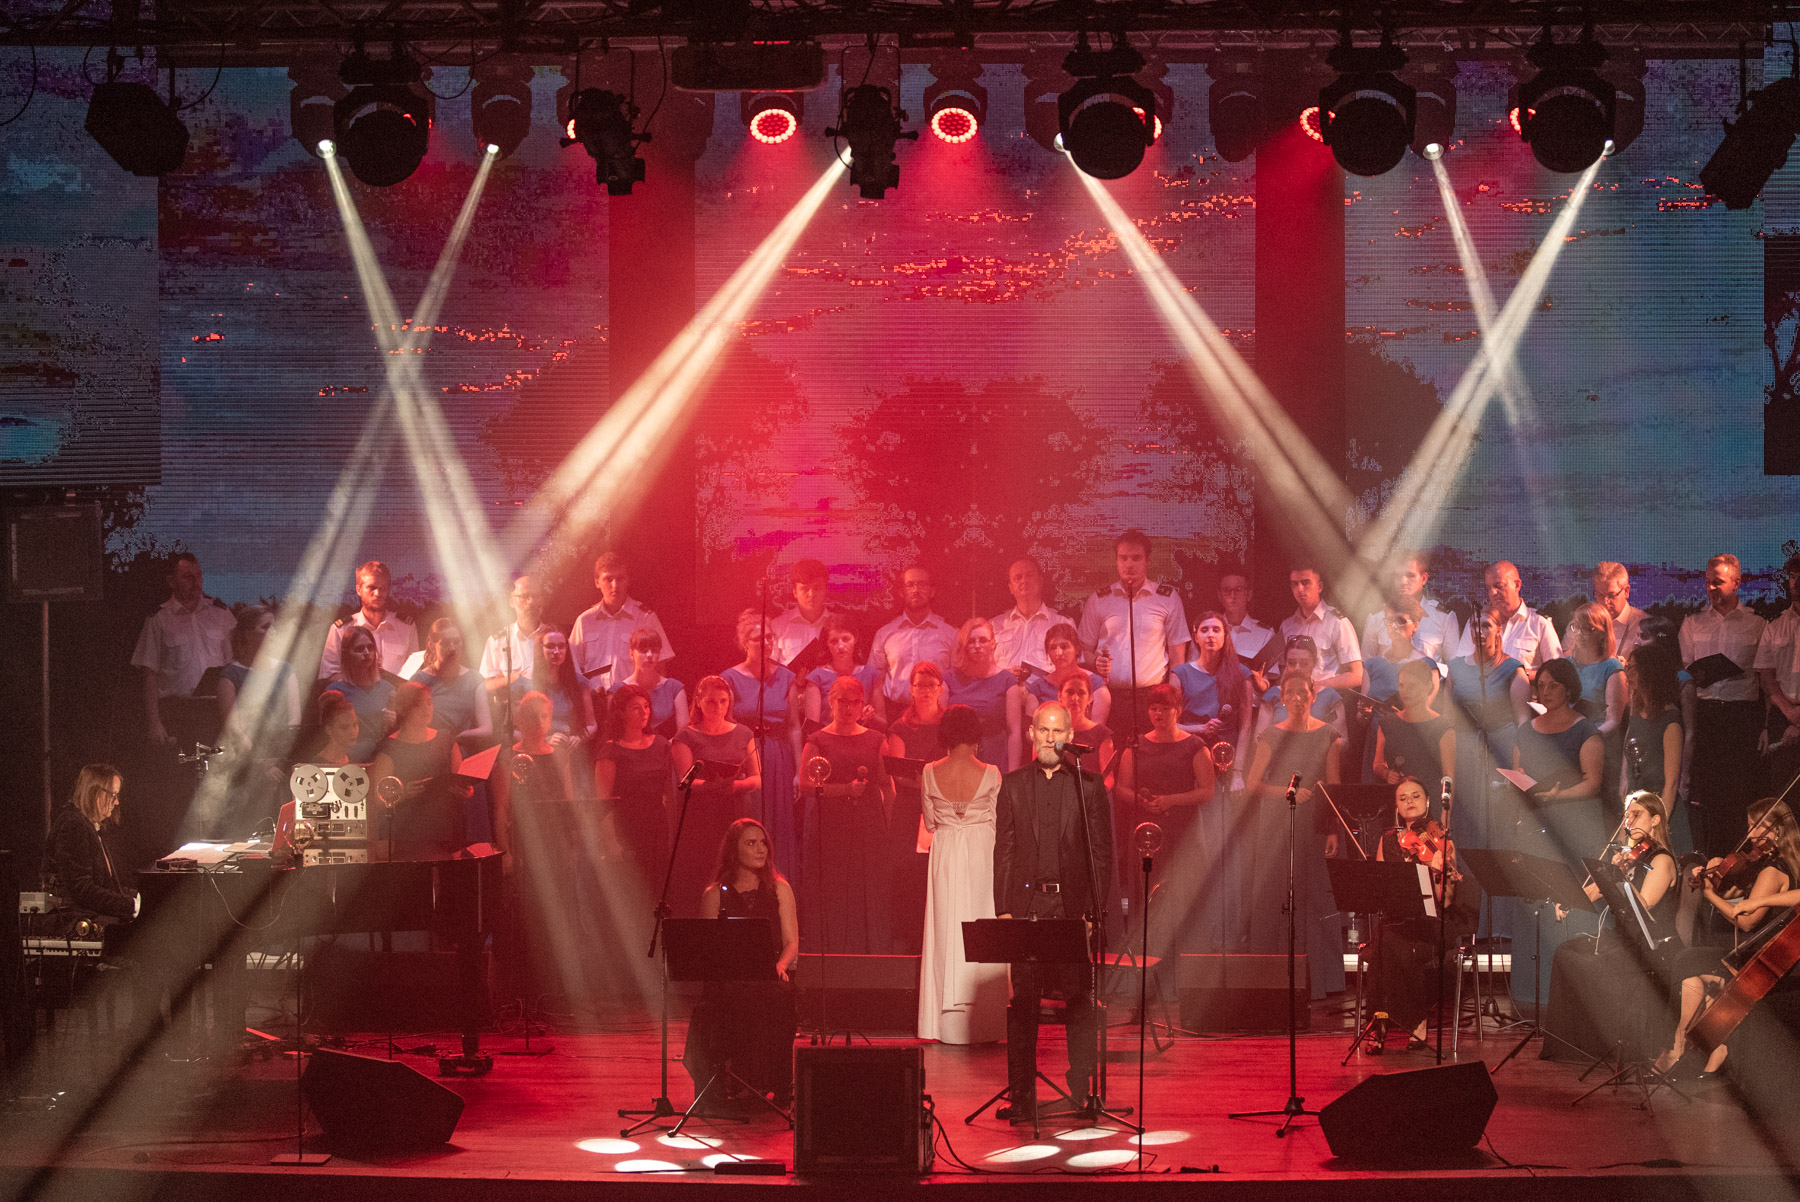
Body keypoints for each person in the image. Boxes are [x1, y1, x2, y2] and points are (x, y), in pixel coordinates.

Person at [994, 702, 1113, 1119]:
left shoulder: (1089, 787)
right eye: (1043, 730)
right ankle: (1021, 1095)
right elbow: (1004, 852)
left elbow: (1101, 856)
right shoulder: (1012, 785)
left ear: (1070, 736)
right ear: (1031, 733)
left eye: (1057, 731)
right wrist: (1004, 910)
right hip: (1026, 909)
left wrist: (1092, 913)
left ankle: (1081, 1090)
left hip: (1070, 910)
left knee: (1079, 1000)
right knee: (1023, 1003)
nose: (1049, 737)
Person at [1657, 797, 1800, 1079]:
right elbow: (1732, 893)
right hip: (1764, 954)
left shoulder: (1772, 871)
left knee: (1687, 961)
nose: (1750, 835)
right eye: (1749, 827)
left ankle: (1682, 1049)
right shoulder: (1781, 865)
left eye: (1756, 827)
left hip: (1758, 959)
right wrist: (1714, 876)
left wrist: (1710, 894)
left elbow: (1745, 921)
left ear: (1776, 831)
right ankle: (1698, 1049)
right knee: (1691, 971)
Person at [1542, 791, 1679, 1063]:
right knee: (1565, 952)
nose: (1629, 822)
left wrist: (1618, 876)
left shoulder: (1661, 860)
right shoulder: (1634, 857)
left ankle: (1605, 1045)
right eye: (1627, 816)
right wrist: (1568, 900)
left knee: (1587, 965)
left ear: (1655, 820)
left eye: (1636, 815)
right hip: (1623, 939)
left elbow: (1644, 906)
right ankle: (1573, 1047)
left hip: (1650, 944)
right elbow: (1595, 891)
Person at [682, 819, 799, 1111]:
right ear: (734, 850)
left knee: (777, 998)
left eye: (763, 843)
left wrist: (780, 965)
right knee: (729, 1000)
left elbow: (791, 942)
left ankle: (770, 1083)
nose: (761, 849)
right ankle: (736, 1082)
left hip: (769, 977)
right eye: (751, 843)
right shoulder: (715, 894)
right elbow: (708, 949)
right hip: (730, 980)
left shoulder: (780, 889)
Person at [1244, 672, 1345, 998]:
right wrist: (1289, 794)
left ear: (1314, 695)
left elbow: (1334, 787)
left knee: (1316, 897)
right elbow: (1253, 784)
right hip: (1277, 823)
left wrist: (1333, 829)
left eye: (1304, 692)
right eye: (1291, 693)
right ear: (1283, 698)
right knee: (1274, 896)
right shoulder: (1271, 735)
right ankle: (1271, 979)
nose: (1298, 698)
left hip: (1314, 822)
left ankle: (1321, 982)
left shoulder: (1328, 735)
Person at [918, 705, 1008, 1043]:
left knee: (945, 928)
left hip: (945, 853)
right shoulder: (991, 773)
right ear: (976, 734)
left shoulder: (929, 771)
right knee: (982, 923)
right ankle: (984, 1022)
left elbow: (930, 823)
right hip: (981, 853)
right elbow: (999, 823)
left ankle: (945, 1023)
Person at [1367, 777, 1469, 1051]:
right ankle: (1413, 1021)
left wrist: (1437, 875)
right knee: (1387, 940)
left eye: (1415, 796)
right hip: (1395, 922)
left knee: (1385, 946)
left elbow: (1445, 903)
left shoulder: (1442, 841)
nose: (1409, 802)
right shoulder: (1387, 840)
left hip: (1430, 926)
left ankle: (1381, 1024)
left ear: (1427, 801)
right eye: (1403, 798)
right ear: (1396, 807)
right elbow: (1380, 890)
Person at [1114, 682, 1218, 950]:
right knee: (1147, 890)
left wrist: (1170, 800)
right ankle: (1147, 950)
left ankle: (1185, 951)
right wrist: (1142, 801)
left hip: (1182, 830)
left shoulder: (1195, 746)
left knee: (1183, 890)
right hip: (1146, 830)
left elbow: (1207, 791)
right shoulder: (1136, 745)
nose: (1157, 714)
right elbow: (1121, 788)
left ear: (1178, 710)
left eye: (1164, 708)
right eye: (1153, 708)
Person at [1679, 553, 1769, 856]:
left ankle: (1740, 862)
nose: (1711, 588)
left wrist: (1765, 725)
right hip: (1705, 715)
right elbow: (1685, 672)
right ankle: (1709, 859)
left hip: (1742, 716)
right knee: (1706, 793)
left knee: (1740, 793)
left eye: (1717, 582)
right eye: (1707, 582)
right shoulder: (1692, 623)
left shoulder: (1757, 624)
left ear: (1737, 582)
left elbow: (1766, 679)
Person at [800, 676, 893, 953]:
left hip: (867, 826)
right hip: (830, 827)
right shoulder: (817, 740)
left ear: (862, 705)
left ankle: (869, 954)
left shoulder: (876, 739)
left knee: (868, 887)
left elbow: (887, 786)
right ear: (831, 702)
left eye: (855, 702)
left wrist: (888, 826)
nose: (849, 708)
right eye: (843, 701)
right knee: (834, 888)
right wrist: (844, 790)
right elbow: (805, 786)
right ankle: (831, 952)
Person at [1078, 530, 1189, 746]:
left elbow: (1178, 660)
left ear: (1148, 560)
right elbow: (1084, 651)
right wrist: (1096, 663)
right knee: (1112, 755)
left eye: (1136, 558)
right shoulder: (1100, 599)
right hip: (1109, 696)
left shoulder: (1167, 598)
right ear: (1116, 561)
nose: (1129, 564)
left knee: (1152, 756)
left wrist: (1172, 703)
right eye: (1123, 558)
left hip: (1152, 697)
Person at [1444, 607, 1532, 854]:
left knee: (1499, 817)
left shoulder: (1513, 669)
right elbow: (1447, 719)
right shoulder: (1456, 667)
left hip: (1502, 747)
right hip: (1465, 751)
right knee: (1467, 816)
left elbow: (1523, 721)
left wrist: (1518, 766)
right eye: (1475, 625)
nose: (1479, 631)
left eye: (1486, 626)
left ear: (1498, 630)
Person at [670, 677, 760, 914]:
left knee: (737, 870)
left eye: (723, 701)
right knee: (705, 873)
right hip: (701, 818)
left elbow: (757, 779)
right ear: (698, 701)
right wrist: (714, 786)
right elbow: (685, 781)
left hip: (735, 812)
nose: (718, 707)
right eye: (711, 701)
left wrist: (734, 786)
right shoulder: (685, 736)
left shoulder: (743, 733)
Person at [724, 607, 802, 871]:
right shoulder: (730, 678)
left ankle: (779, 884)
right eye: (759, 638)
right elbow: (728, 725)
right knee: (751, 821)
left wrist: (798, 770)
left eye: (770, 637)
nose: (767, 642)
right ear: (745, 642)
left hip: (779, 757)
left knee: (779, 823)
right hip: (748, 756)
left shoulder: (787, 677)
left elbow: (794, 727)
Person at [132, 551, 235, 749]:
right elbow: (150, 674)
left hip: (218, 708)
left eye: (199, 575)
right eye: (188, 577)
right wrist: (154, 722)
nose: (196, 582)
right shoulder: (159, 619)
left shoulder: (220, 613)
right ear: (171, 581)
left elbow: (235, 664)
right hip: (178, 711)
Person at [370, 682, 473, 860]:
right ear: (404, 709)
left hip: (447, 832)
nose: (427, 709)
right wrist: (403, 794)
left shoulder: (446, 740)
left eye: (429, 702)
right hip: (409, 834)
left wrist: (466, 791)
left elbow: (461, 781)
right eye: (418, 704)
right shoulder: (389, 749)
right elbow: (376, 800)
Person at [883, 661, 946, 953]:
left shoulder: (948, 725)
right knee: (908, 874)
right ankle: (909, 939)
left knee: (938, 871)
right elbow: (897, 772)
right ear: (911, 689)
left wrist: (930, 781)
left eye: (931, 685)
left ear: (940, 689)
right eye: (920, 685)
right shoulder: (901, 727)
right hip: (910, 808)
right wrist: (927, 780)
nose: (926, 691)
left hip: (942, 807)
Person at [594, 684, 673, 883]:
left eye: (646, 706)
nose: (643, 712)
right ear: (621, 712)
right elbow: (603, 802)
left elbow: (668, 792)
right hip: (626, 830)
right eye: (636, 708)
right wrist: (610, 842)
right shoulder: (611, 751)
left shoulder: (661, 744)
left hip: (656, 828)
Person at [47, 764, 137, 924]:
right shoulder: (73, 826)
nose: (116, 802)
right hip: (77, 922)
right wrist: (131, 905)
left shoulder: (89, 826)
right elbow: (82, 889)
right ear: (95, 793)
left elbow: (103, 884)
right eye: (113, 795)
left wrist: (135, 897)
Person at [571, 552, 673, 690]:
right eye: (608, 579)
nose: (615, 585)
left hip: (631, 699)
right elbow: (573, 669)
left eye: (620, 579)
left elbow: (660, 666)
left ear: (628, 580)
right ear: (597, 582)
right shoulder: (584, 621)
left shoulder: (644, 618)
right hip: (594, 699)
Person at [871, 564, 958, 718]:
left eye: (922, 584)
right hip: (895, 714)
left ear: (932, 592)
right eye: (910, 585)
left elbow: (958, 681)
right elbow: (875, 681)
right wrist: (881, 717)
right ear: (901, 592)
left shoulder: (950, 635)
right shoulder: (884, 634)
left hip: (937, 716)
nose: (916, 590)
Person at [1566, 602, 1628, 805]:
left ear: (1602, 633)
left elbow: (1614, 720)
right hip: (1569, 748)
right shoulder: (1567, 664)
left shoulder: (1611, 667)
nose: (1579, 634)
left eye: (1587, 629)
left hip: (1599, 750)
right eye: (1576, 627)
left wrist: (1586, 739)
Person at [1452, 560, 1562, 669]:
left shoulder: (1539, 623)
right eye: (1488, 588)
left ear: (1517, 585)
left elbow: (1556, 672)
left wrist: (1519, 674)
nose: (1493, 593)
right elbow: (1461, 668)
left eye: (1499, 586)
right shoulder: (1477, 622)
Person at [317, 560, 417, 680]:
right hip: (355, 692)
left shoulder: (406, 627)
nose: (377, 593)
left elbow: (414, 674)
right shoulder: (341, 630)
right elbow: (329, 676)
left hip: (397, 692)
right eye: (371, 588)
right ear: (359, 590)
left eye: (383, 588)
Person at [1172, 611, 1252, 758]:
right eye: (1204, 630)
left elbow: (1245, 726)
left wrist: (1239, 768)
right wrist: (1200, 728)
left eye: (1216, 630)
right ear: (1196, 637)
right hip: (1190, 750)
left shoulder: (1241, 674)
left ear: (1225, 636)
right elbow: (1170, 725)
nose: (1210, 635)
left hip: (1228, 753)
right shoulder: (1180, 675)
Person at [946, 618, 1023, 771]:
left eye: (983, 640)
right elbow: (941, 729)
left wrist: (1013, 774)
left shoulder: (1007, 681)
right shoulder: (948, 678)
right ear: (964, 645)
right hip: (957, 760)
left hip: (994, 759)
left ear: (993, 644)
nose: (977, 646)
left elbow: (1014, 732)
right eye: (971, 641)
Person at [217, 604, 301, 744]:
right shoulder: (230, 676)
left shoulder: (286, 670)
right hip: (246, 751)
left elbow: (294, 719)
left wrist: (282, 749)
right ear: (248, 634)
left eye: (273, 626)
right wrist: (253, 754)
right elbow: (233, 729)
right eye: (265, 627)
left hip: (281, 748)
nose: (273, 632)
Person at [1360, 552, 1461, 665]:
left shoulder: (1444, 617)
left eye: (1410, 576)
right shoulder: (1377, 618)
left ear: (1424, 578)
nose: (1403, 582)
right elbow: (1367, 665)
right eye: (1398, 576)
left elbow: (1454, 667)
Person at [1277, 563, 1363, 693]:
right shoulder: (1287, 625)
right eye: (1294, 584)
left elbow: (1357, 675)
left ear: (1319, 586)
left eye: (1305, 583)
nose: (1300, 589)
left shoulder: (1336, 622)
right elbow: (1282, 672)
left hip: (1325, 698)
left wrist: (1321, 685)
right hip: (1293, 698)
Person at [1372, 658, 1456, 789]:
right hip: (1398, 797)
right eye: (1401, 685)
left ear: (1427, 687)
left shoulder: (1443, 727)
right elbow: (1378, 763)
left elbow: (1448, 777)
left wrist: (1445, 802)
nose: (1405, 691)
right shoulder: (1387, 724)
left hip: (1431, 797)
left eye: (1411, 686)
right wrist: (1386, 773)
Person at [1019, 623, 1112, 738]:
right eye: (1053, 648)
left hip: (1083, 747)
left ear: (1076, 649)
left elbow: (1096, 734)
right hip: (1047, 748)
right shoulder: (1036, 689)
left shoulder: (1097, 686)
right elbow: (1030, 736)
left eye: (1064, 647)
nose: (1058, 653)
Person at [412, 618, 494, 744]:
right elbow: (410, 726)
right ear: (432, 645)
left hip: (460, 746)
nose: (452, 648)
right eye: (445, 643)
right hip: (427, 747)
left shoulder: (474, 679)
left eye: (456, 642)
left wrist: (460, 736)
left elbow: (486, 729)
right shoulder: (420, 680)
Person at [1757, 551, 1800, 790]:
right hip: (1782, 715)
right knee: (1782, 791)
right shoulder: (1775, 624)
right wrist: (1788, 712)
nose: (1796, 583)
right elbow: (1766, 676)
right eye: (1793, 576)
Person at [323, 625, 396, 763]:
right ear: (346, 654)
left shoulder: (388, 689)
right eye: (359, 649)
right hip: (349, 762)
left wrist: (393, 723)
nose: (366, 652)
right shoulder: (335, 692)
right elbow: (327, 738)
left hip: (381, 760)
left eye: (370, 647)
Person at [1623, 641, 1685, 803]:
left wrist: (1659, 817)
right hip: (1637, 803)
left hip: (1659, 806)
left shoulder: (1670, 719)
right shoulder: (1636, 711)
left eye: (1635, 668)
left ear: (1651, 671)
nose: (1629, 673)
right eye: (1628, 667)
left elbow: (1671, 784)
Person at [801, 613, 884, 730]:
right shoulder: (817, 677)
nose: (840, 646)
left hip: (862, 738)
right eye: (834, 641)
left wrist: (871, 717)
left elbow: (883, 724)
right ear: (827, 644)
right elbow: (812, 727)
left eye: (846, 639)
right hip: (829, 738)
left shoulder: (871, 675)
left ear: (855, 639)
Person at [515, 627, 596, 745]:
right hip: (538, 749)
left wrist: (579, 738)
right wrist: (544, 741)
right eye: (550, 646)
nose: (557, 651)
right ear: (540, 648)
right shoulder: (524, 684)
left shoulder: (579, 682)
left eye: (561, 646)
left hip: (570, 747)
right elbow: (514, 731)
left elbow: (592, 724)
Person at [991, 557, 1069, 677]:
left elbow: (1073, 670)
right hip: (1003, 688)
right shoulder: (993, 625)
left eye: (1029, 575)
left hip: (1046, 688)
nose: (1024, 580)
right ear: (1010, 588)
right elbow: (982, 669)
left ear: (1041, 581)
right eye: (1018, 577)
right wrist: (1003, 675)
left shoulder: (1063, 623)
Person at [614, 626, 688, 739]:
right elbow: (615, 734)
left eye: (654, 650)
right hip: (631, 748)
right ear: (631, 654)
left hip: (668, 748)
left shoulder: (675, 688)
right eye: (643, 651)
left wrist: (663, 747)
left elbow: (683, 735)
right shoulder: (617, 691)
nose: (649, 655)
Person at [480, 574, 547, 691]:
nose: (531, 602)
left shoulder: (555, 638)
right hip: (513, 701)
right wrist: (513, 679)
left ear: (542, 600)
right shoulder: (498, 640)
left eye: (536, 596)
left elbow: (573, 678)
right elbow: (486, 685)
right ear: (511, 602)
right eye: (524, 596)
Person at [769, 558, 835, 667]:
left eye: (817, 588)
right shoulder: (777, 626)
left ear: (826, 590)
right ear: (795, 592)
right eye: (805, 589)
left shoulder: (838, 625)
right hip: (788, 679)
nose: (811, 595)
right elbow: (770, 667)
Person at [1590, 562, 1650, 665]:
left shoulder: (1645, 626)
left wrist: (1628, 667)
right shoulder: (1584, 621)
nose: (1605, 602)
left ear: (1626, 591)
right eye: (1599, 595)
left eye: (1611, 595)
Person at [1218, 572, 1277, 672]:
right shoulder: (1207, 631)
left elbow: (1270, 677)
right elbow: (1196, 672)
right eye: (1226, 590)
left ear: (1249, 595)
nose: (1232, 595)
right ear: (1219, 596)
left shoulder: (1265, 635)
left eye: (1238, 590)